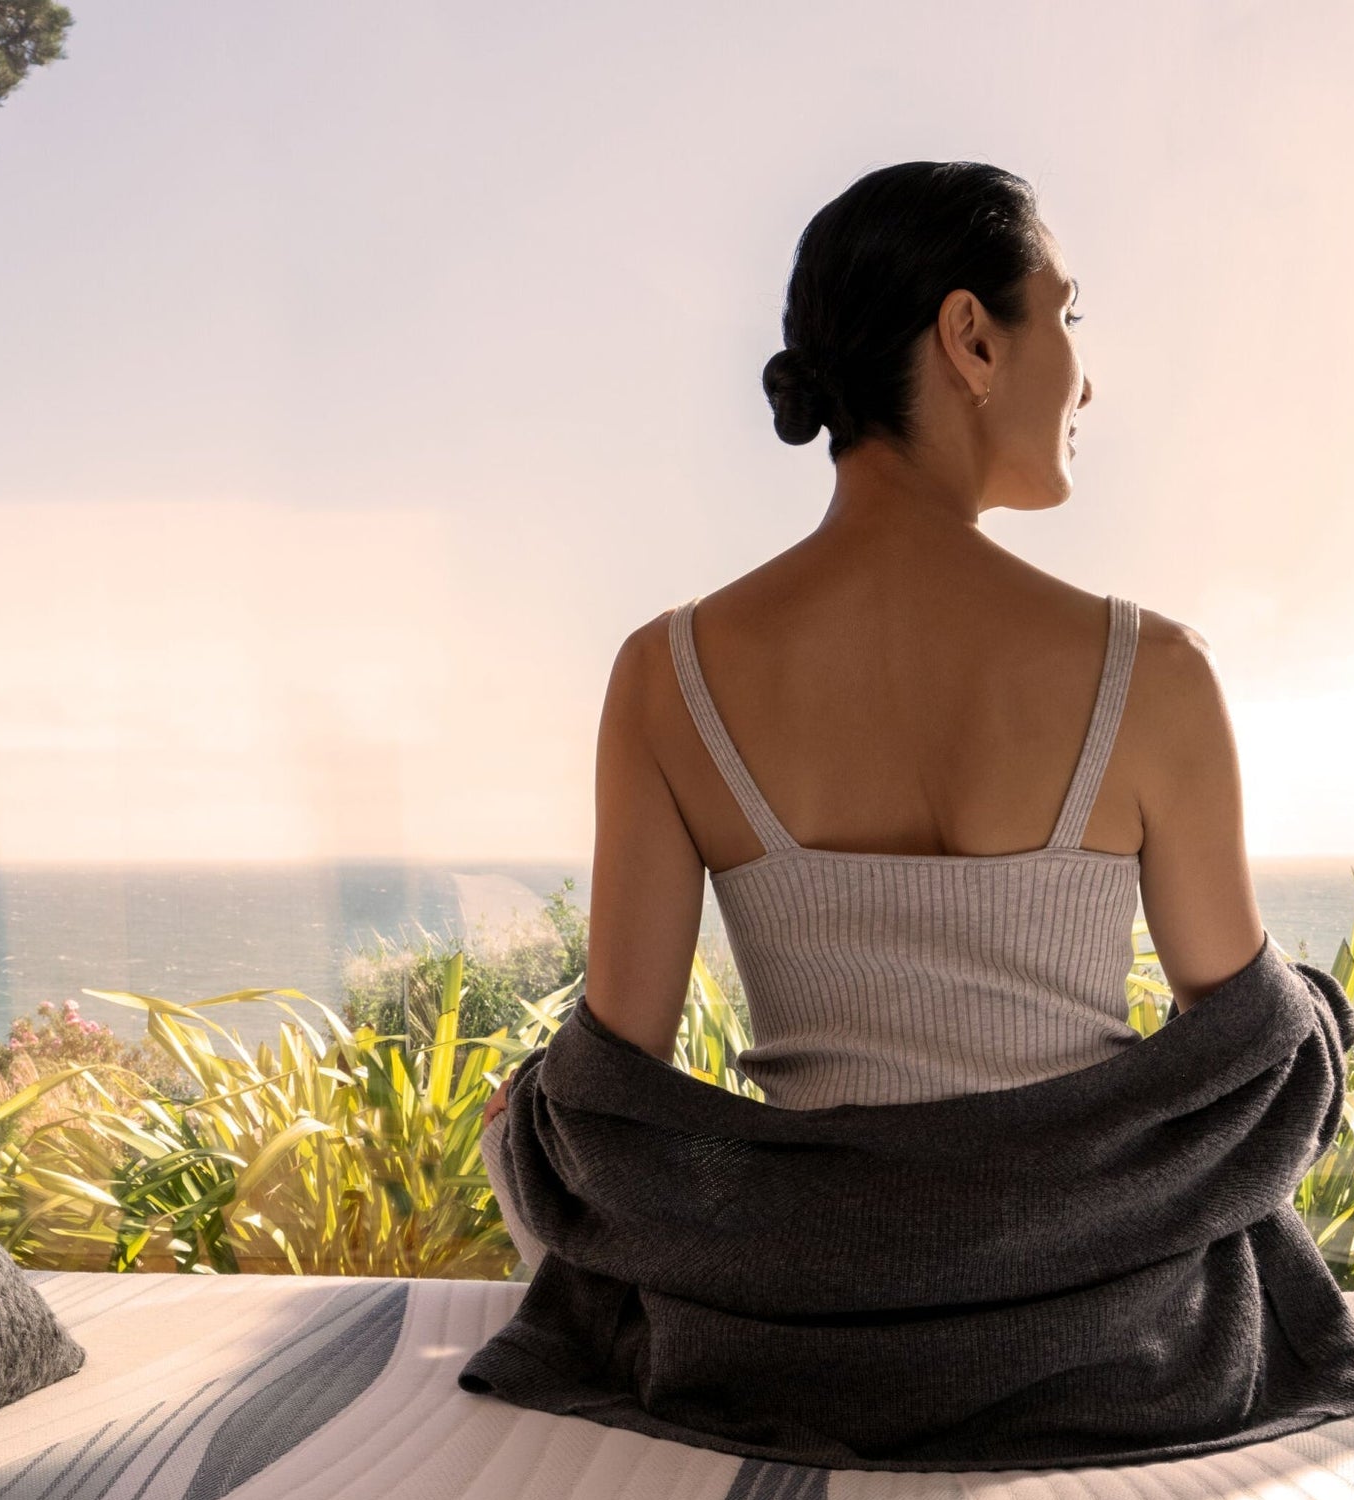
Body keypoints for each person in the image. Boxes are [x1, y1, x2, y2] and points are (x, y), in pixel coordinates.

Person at [481, 158, 1267, 1275]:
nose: (1084, 383)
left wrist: (521, 1130)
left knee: (530, 1116)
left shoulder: (665, 675)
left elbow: (617, 1094)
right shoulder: (1159, 673)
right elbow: (1243, 1060)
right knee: (1298, 1019)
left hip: (809, 1304)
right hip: (1088, 1303)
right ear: (971, 339)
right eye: (1065, 314)